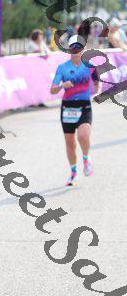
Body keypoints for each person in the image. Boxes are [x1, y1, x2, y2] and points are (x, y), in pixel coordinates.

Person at [50, 34, 100, 186]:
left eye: (79, 47)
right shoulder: (62, 68)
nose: (76, 50)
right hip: (68, 107)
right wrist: (61, 86)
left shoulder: (90, 66)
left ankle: (86, 158)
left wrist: (97, 93)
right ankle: (73, 173)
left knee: (83, 136)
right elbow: (52, 90)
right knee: (70, 143)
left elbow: (97, 82)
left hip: (84, 105)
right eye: (73, 47)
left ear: (84, 49)